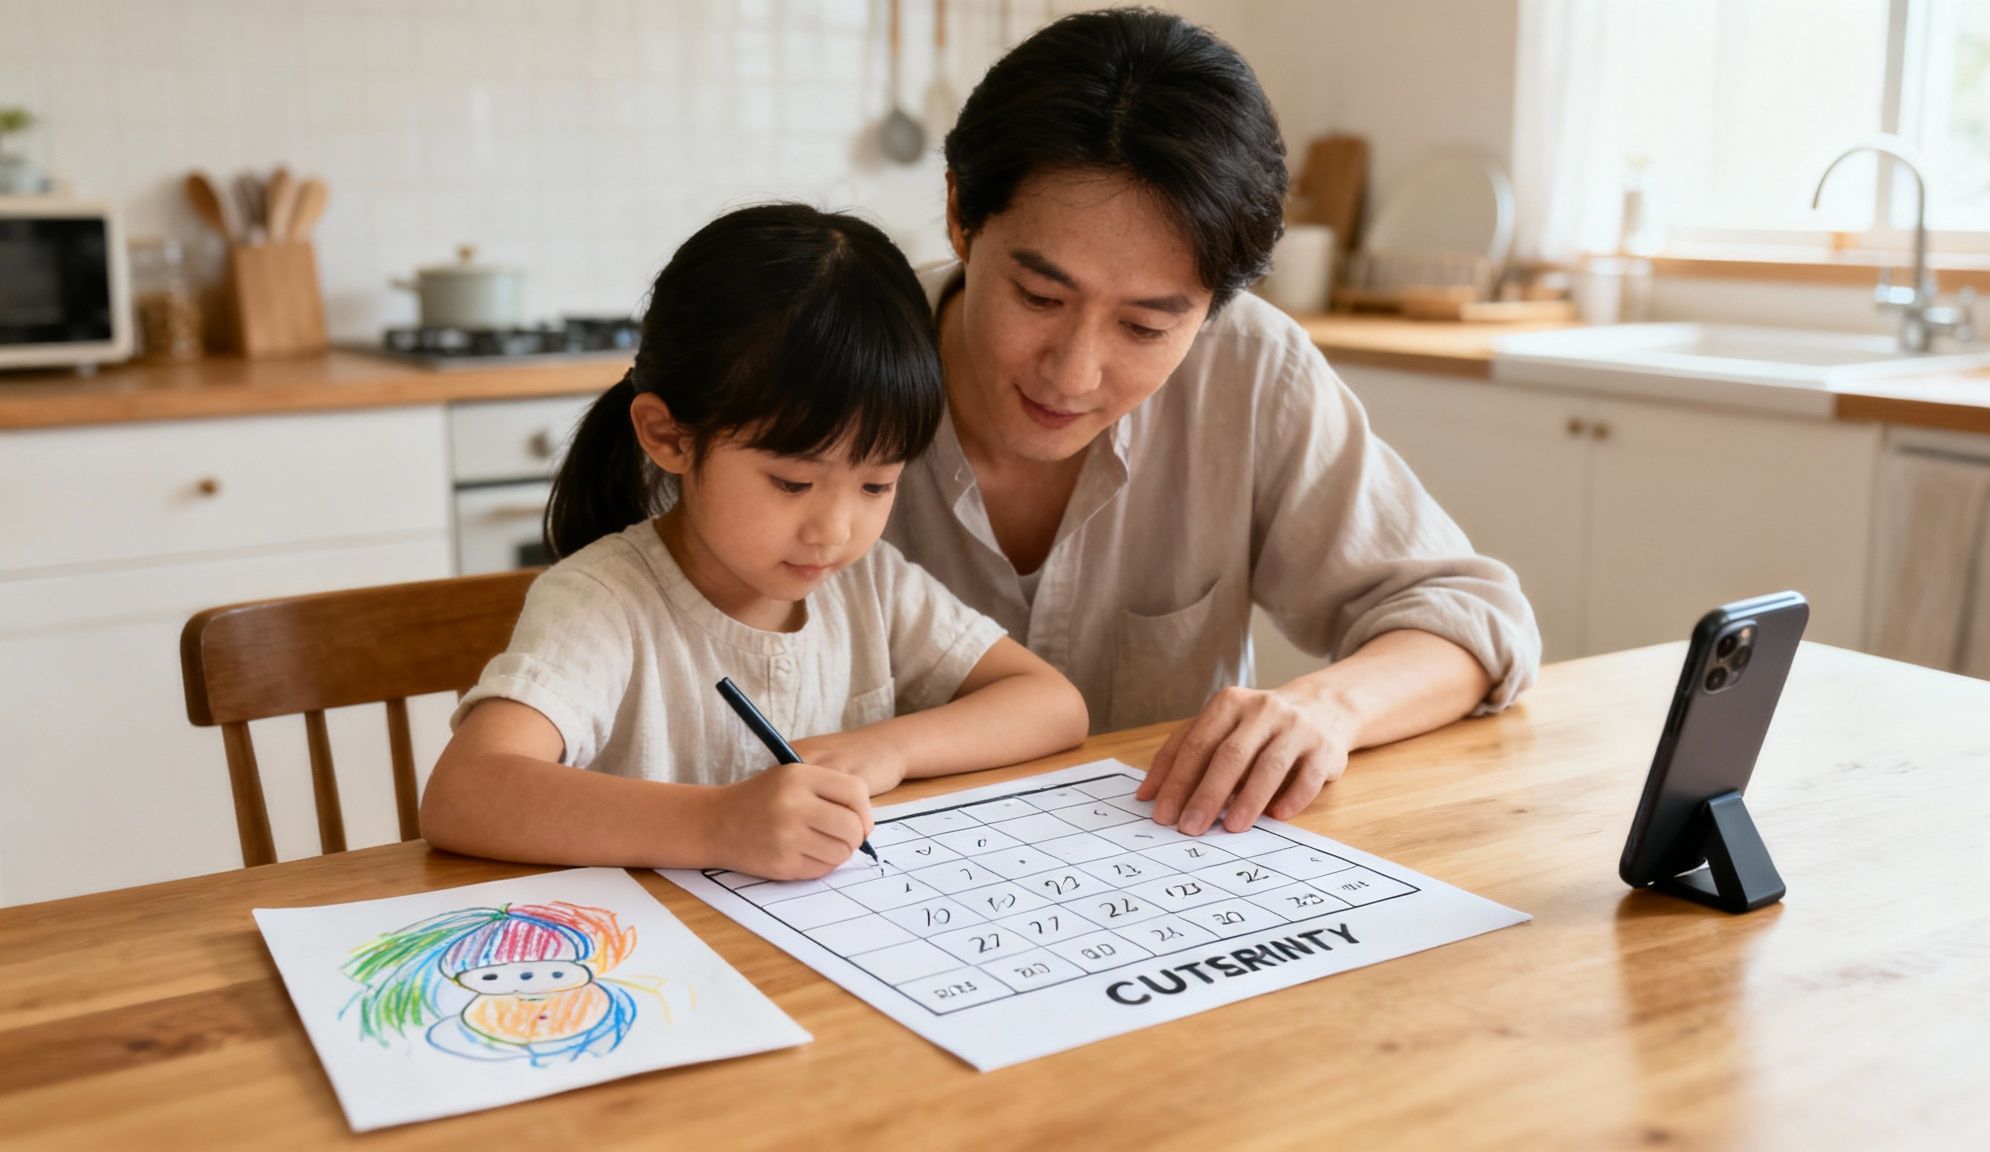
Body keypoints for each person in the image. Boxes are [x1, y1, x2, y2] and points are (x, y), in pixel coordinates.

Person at [882, 9, 1541, 838]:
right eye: (1040, 297)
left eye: (1145, 327)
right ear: (959, 213)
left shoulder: (1250, 369)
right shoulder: (822, 366)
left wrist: (1328, 706)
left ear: (1214, 307)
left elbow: (1473, 619)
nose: (1074, 374)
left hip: (1162, 872)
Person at [419, 204, 1088, 881]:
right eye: (793, 483)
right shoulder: (601, 604)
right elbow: (464, 792)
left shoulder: (871, 587)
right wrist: (717, 824)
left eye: (876, 485)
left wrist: (890, 748)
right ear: (669, 437)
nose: (834, 532)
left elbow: (1053, 705)